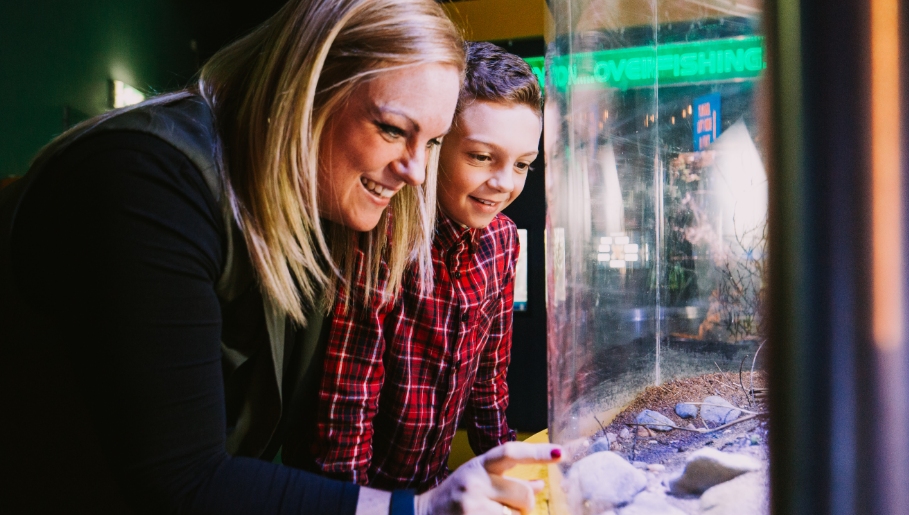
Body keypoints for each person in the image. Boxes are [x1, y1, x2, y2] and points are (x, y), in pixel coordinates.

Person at [0, 1, 560, 514]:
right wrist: (415, 508)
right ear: (306, 87)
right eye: (392, 129)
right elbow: (180, 480)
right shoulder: (148, 178)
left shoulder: (335, 203)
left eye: (434, 142)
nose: (418, 173)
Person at [301, 42, 544, 492]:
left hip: (433, 486)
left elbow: (490, 377)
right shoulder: (382, 233)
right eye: (481, 156)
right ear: (434, 144)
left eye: (523, 164)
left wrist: (510, 470)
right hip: (361, 493)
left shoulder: (503, 240)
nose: (505, 183)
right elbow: (348, 404)